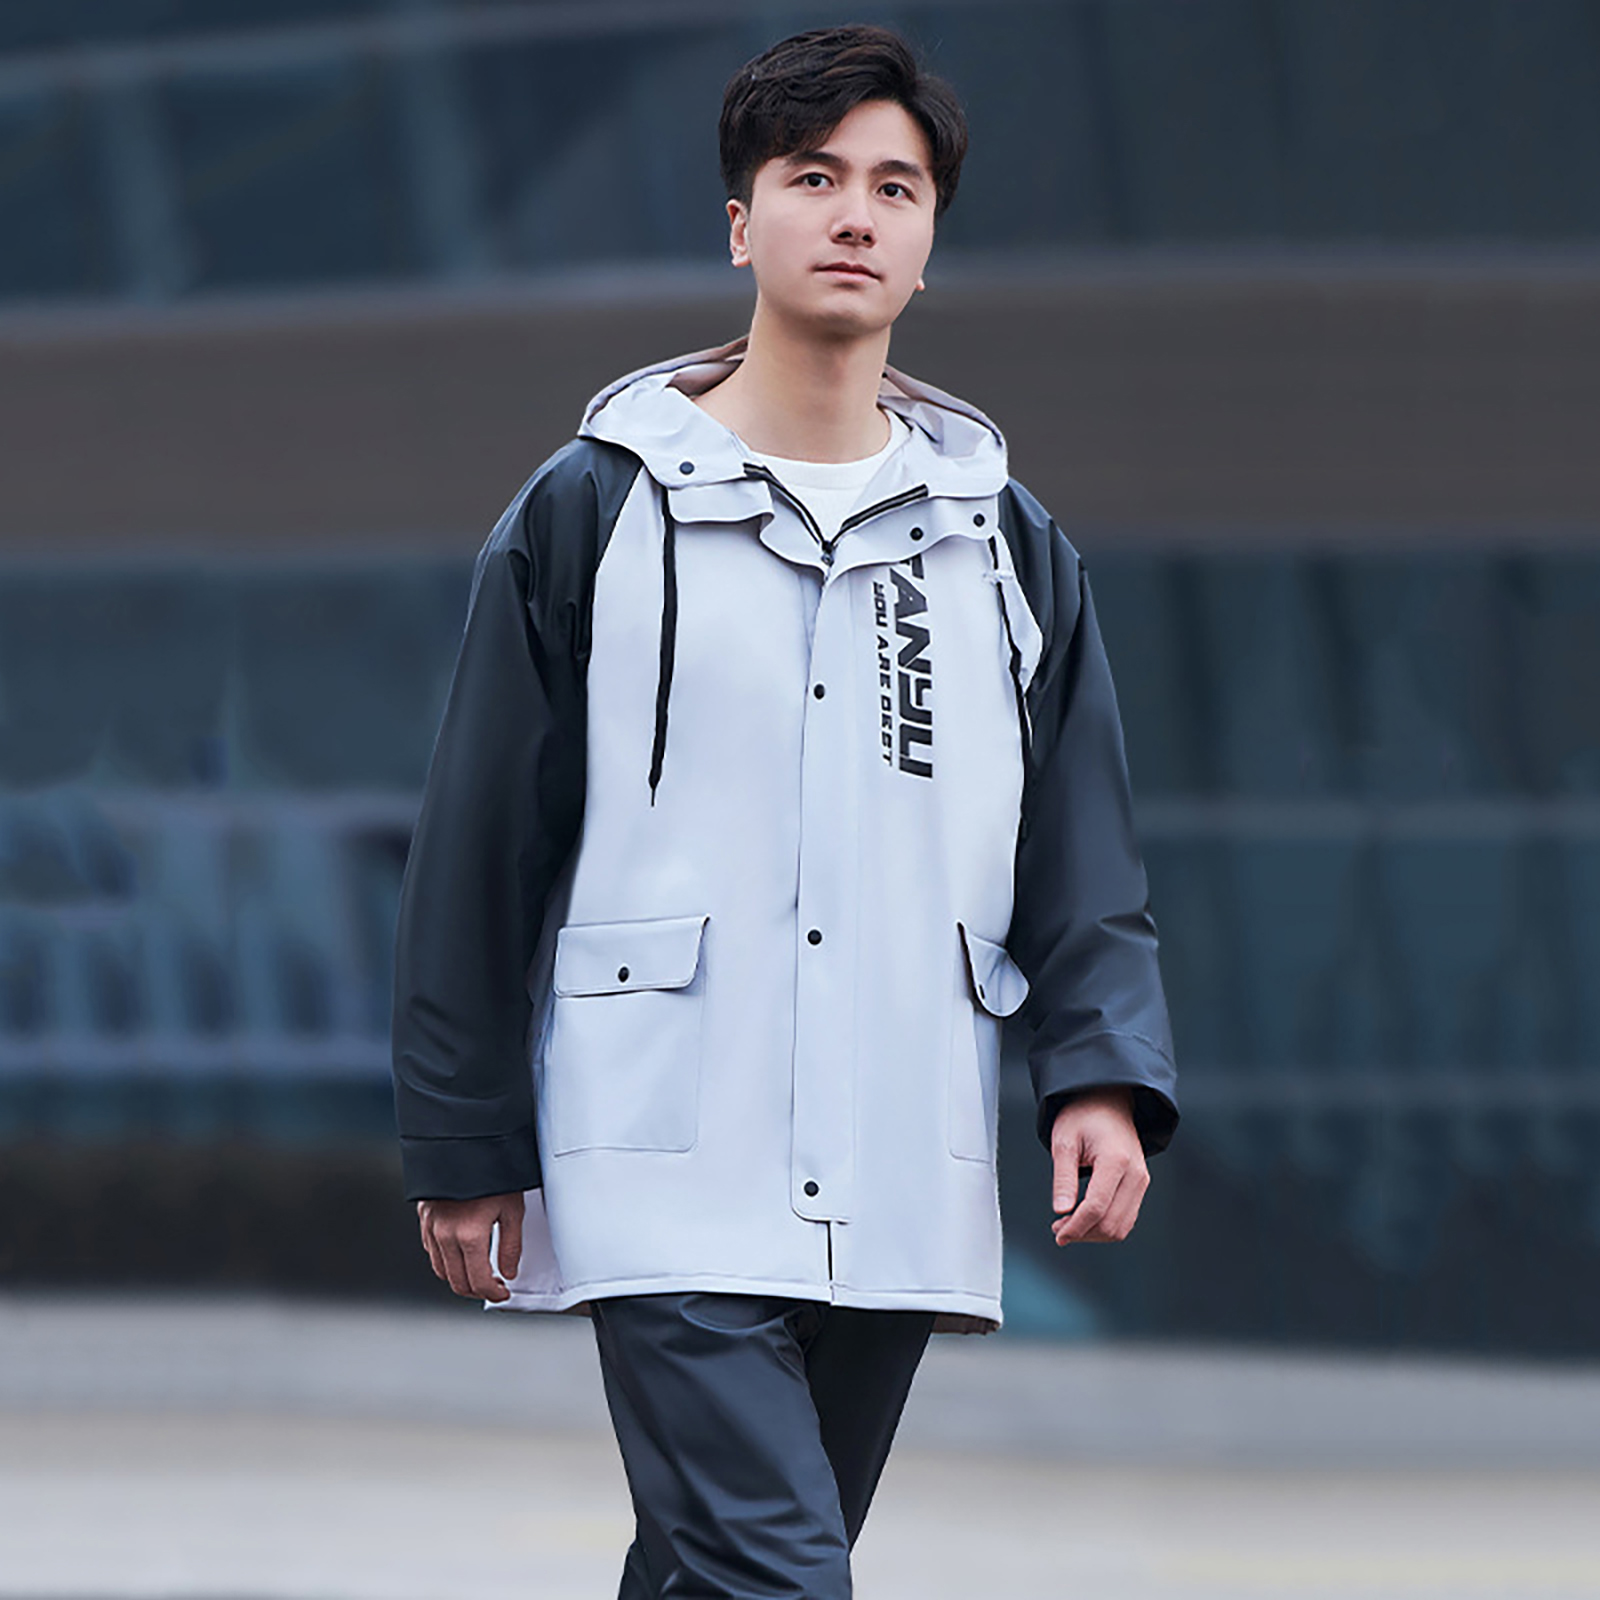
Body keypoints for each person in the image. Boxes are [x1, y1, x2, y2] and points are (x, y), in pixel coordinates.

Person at [391, 23, 1177, 1598]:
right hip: (665, 1148)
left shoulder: (1003, 547)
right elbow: (480, 846)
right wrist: (463, 1135)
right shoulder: (594, 509)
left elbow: (1076, 848)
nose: (856, 215)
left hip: (898, 1154)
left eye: (896, 187)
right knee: (780, 1577)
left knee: (714, 1575)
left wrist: (1100, 1073)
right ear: (742, 224)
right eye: (814, 179)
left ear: (930, 243)